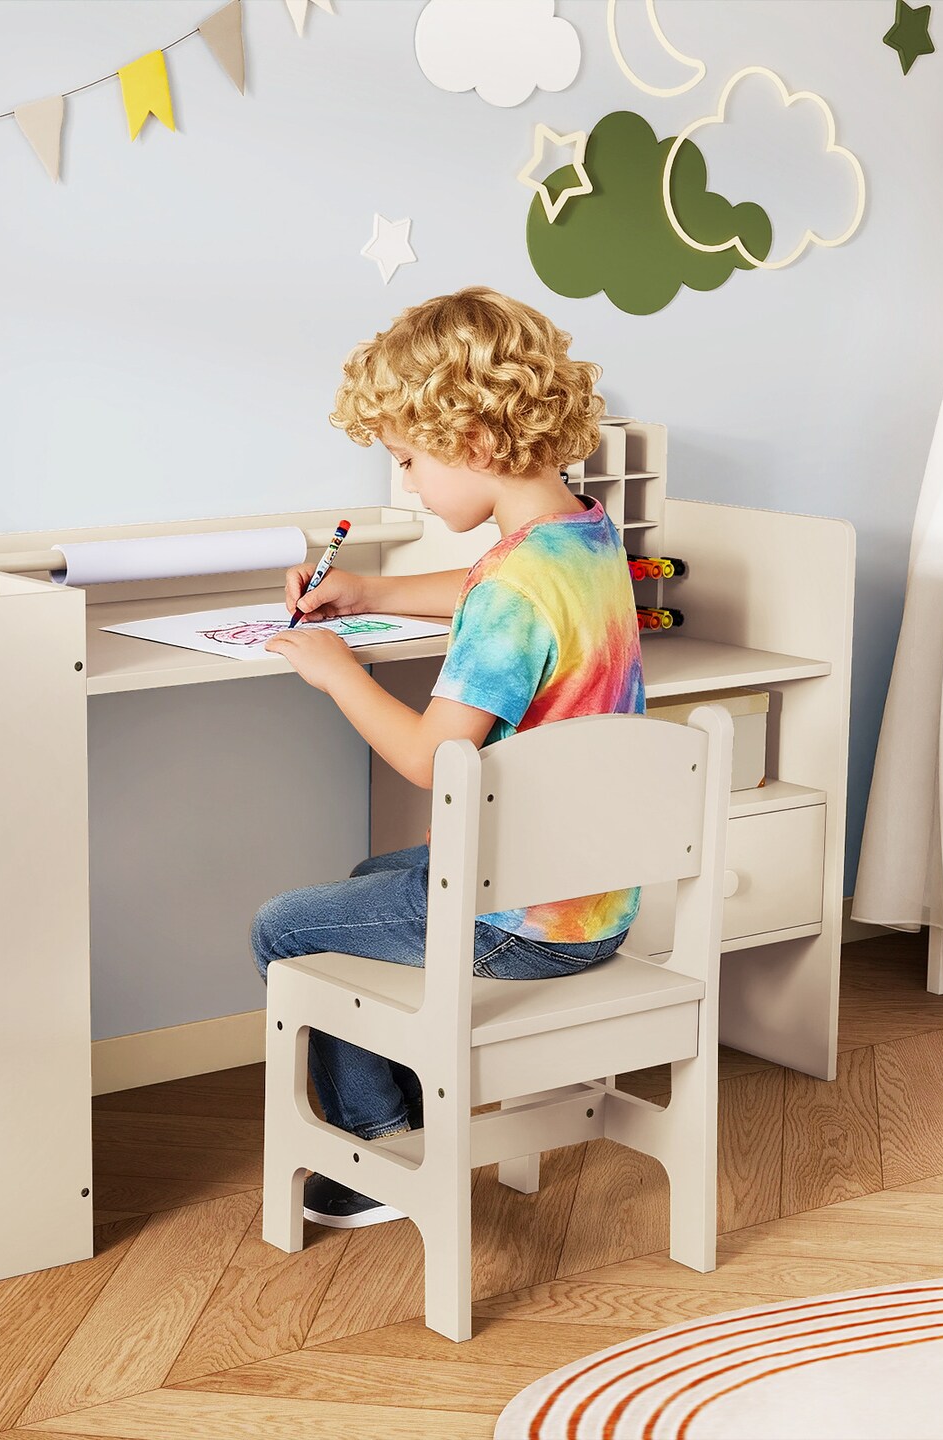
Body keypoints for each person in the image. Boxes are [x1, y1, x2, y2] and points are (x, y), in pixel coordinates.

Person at [253, 286, 645, 1228]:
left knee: (285, 927)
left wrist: (336, 671)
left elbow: (433, 759)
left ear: (472, 441)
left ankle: (380, 1153)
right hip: (598, 898)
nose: (409, 487)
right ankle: (404, 1107)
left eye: (408, 461)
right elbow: (482, 588)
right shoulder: (583, 538)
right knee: (371, 874)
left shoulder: (511, 588)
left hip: (522, 920)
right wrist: (369, 589)